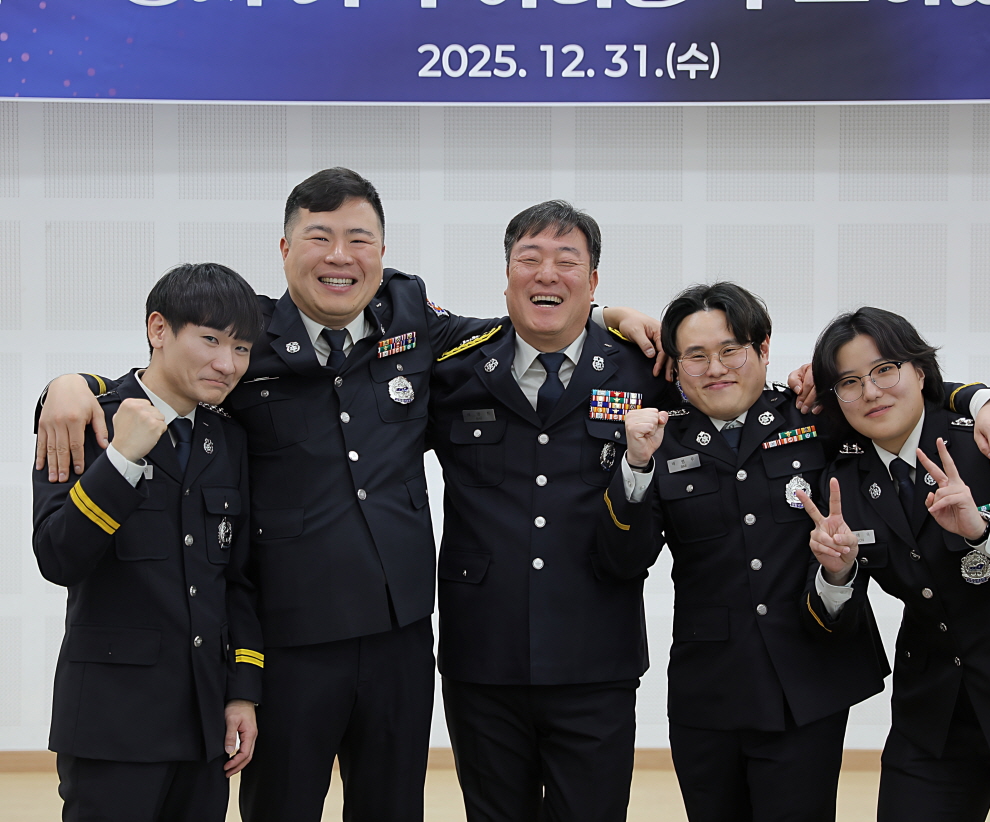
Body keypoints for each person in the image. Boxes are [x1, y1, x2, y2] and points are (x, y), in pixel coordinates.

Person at [34, 171, 662, 822]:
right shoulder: (248, 338)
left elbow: (519, 330)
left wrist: (608, 315)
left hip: (399, 639)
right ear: (285, 249)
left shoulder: (411, 319)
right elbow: (170, 373)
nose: (340, 256)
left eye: (359, 239)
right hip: (290, 641)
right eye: (320, 237)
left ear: (381, 253)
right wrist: (72, 385)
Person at [596, 283, 990, 822]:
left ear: (763, 348)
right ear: (677, 366)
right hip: (708, 690)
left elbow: (900, 393)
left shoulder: (813, 418)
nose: (716, 368)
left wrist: (986, 400)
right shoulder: (661, 438)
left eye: (731, 350)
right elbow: (621, 561)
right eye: (697, 356)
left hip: (808, 681)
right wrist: (635, 468)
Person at [427, 201, 676, 822]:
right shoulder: (455, 367)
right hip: (483, 655)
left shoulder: (645, 370)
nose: (546, 274)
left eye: (568, 261)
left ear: (593, 282)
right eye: (529, 258)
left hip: (596, 654)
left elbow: (730, 399)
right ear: (506, 275)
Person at [801, 306, 990, 822]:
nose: (870, 392)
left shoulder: (988, 442)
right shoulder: (841, 475)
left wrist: (985, 531)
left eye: (884, 370)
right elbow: (833, 620)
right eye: (849, 382)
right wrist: (838, 572)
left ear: (919, 371)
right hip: (934, 714)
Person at [32, 263, 265, 822]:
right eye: (211, 340)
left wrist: (242, 691)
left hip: (202, 727)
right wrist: (121, 459)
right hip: (112, 724)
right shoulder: (86, 418)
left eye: (241, 348)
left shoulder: (227, 440)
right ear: (159, 329)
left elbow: (237, 580)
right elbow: (57, 556)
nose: (227, 364)